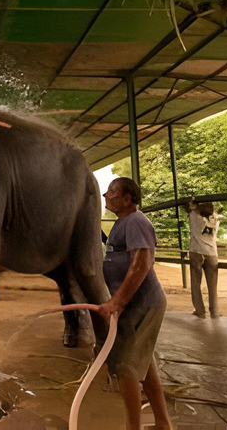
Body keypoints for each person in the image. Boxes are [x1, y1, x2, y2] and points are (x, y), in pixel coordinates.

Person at [98, 177, 173, 430]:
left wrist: (116, 302)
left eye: (111, 191)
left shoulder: (137, 221)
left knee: (125, 367)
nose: (105, 195)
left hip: (143, 303)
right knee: (144, 364)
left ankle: (133, 428)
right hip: (133, 304)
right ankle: (162, 423)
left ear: (127, 198)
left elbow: (142, 262)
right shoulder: (123, 223)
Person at [185, 200, 220, 319]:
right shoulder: (215, 220)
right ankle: (214, 311)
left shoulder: (195, 217)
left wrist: (195, 205)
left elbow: (190, 208)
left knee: (196, 282)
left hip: (197, 251)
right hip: (212, 253)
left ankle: (199, 310)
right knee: (213, 284)